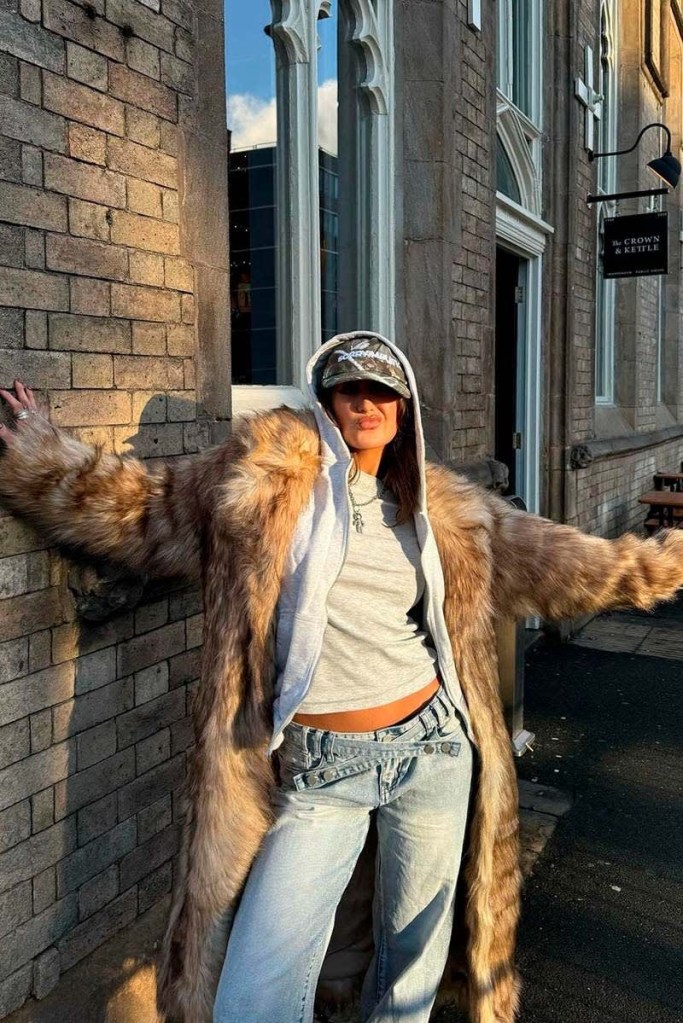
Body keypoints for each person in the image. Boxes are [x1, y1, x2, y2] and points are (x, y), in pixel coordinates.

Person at [1, 331, 682, 1023]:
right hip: (321, 767)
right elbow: (144, 505)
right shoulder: (261, 479)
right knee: (254, 994)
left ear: (404, 408)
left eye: (383, 391)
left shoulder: (442, 508)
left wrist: (663, 562)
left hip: (432, 749)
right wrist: (42, 452)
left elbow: (561, 561)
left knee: (410, 972)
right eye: (350, 389)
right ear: (325, 401)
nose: (366, 404)